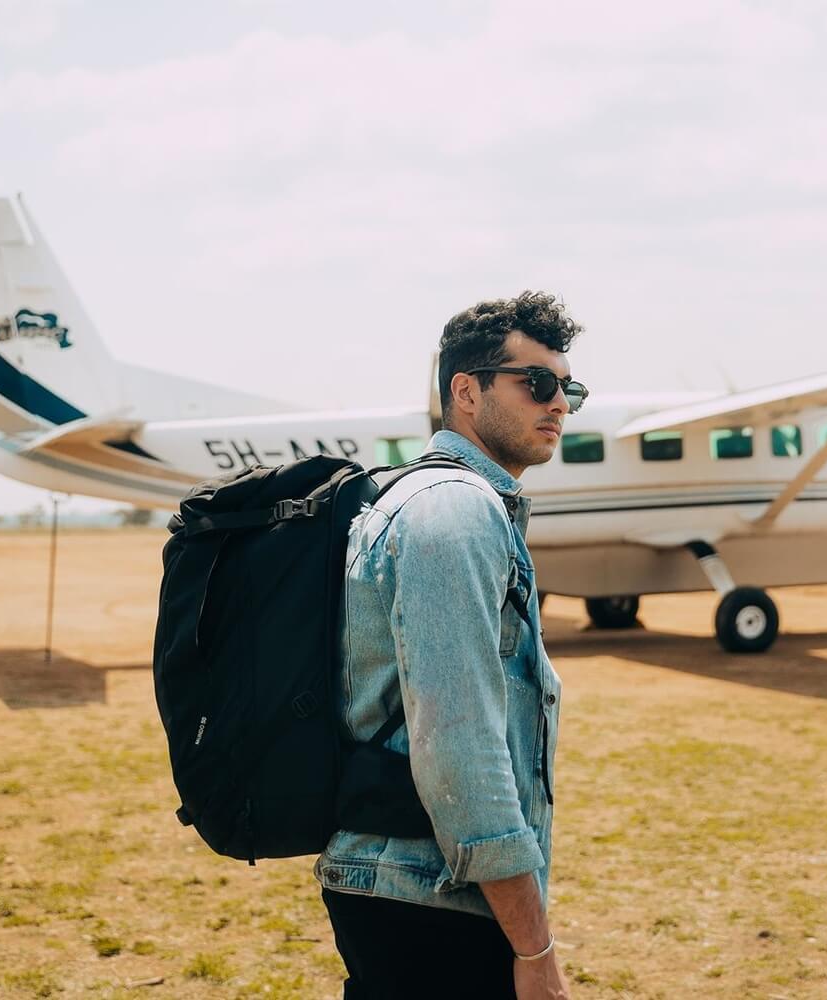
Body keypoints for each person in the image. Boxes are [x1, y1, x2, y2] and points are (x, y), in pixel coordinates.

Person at [315, 291, 586, 999]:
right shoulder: (455, 512)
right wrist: (535, 950)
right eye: (538, 383)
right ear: (466, 391)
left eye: (570, 388)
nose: (559, 403)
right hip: (429, 899)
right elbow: (460, 744)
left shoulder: (437, 502)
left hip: (416, 890)